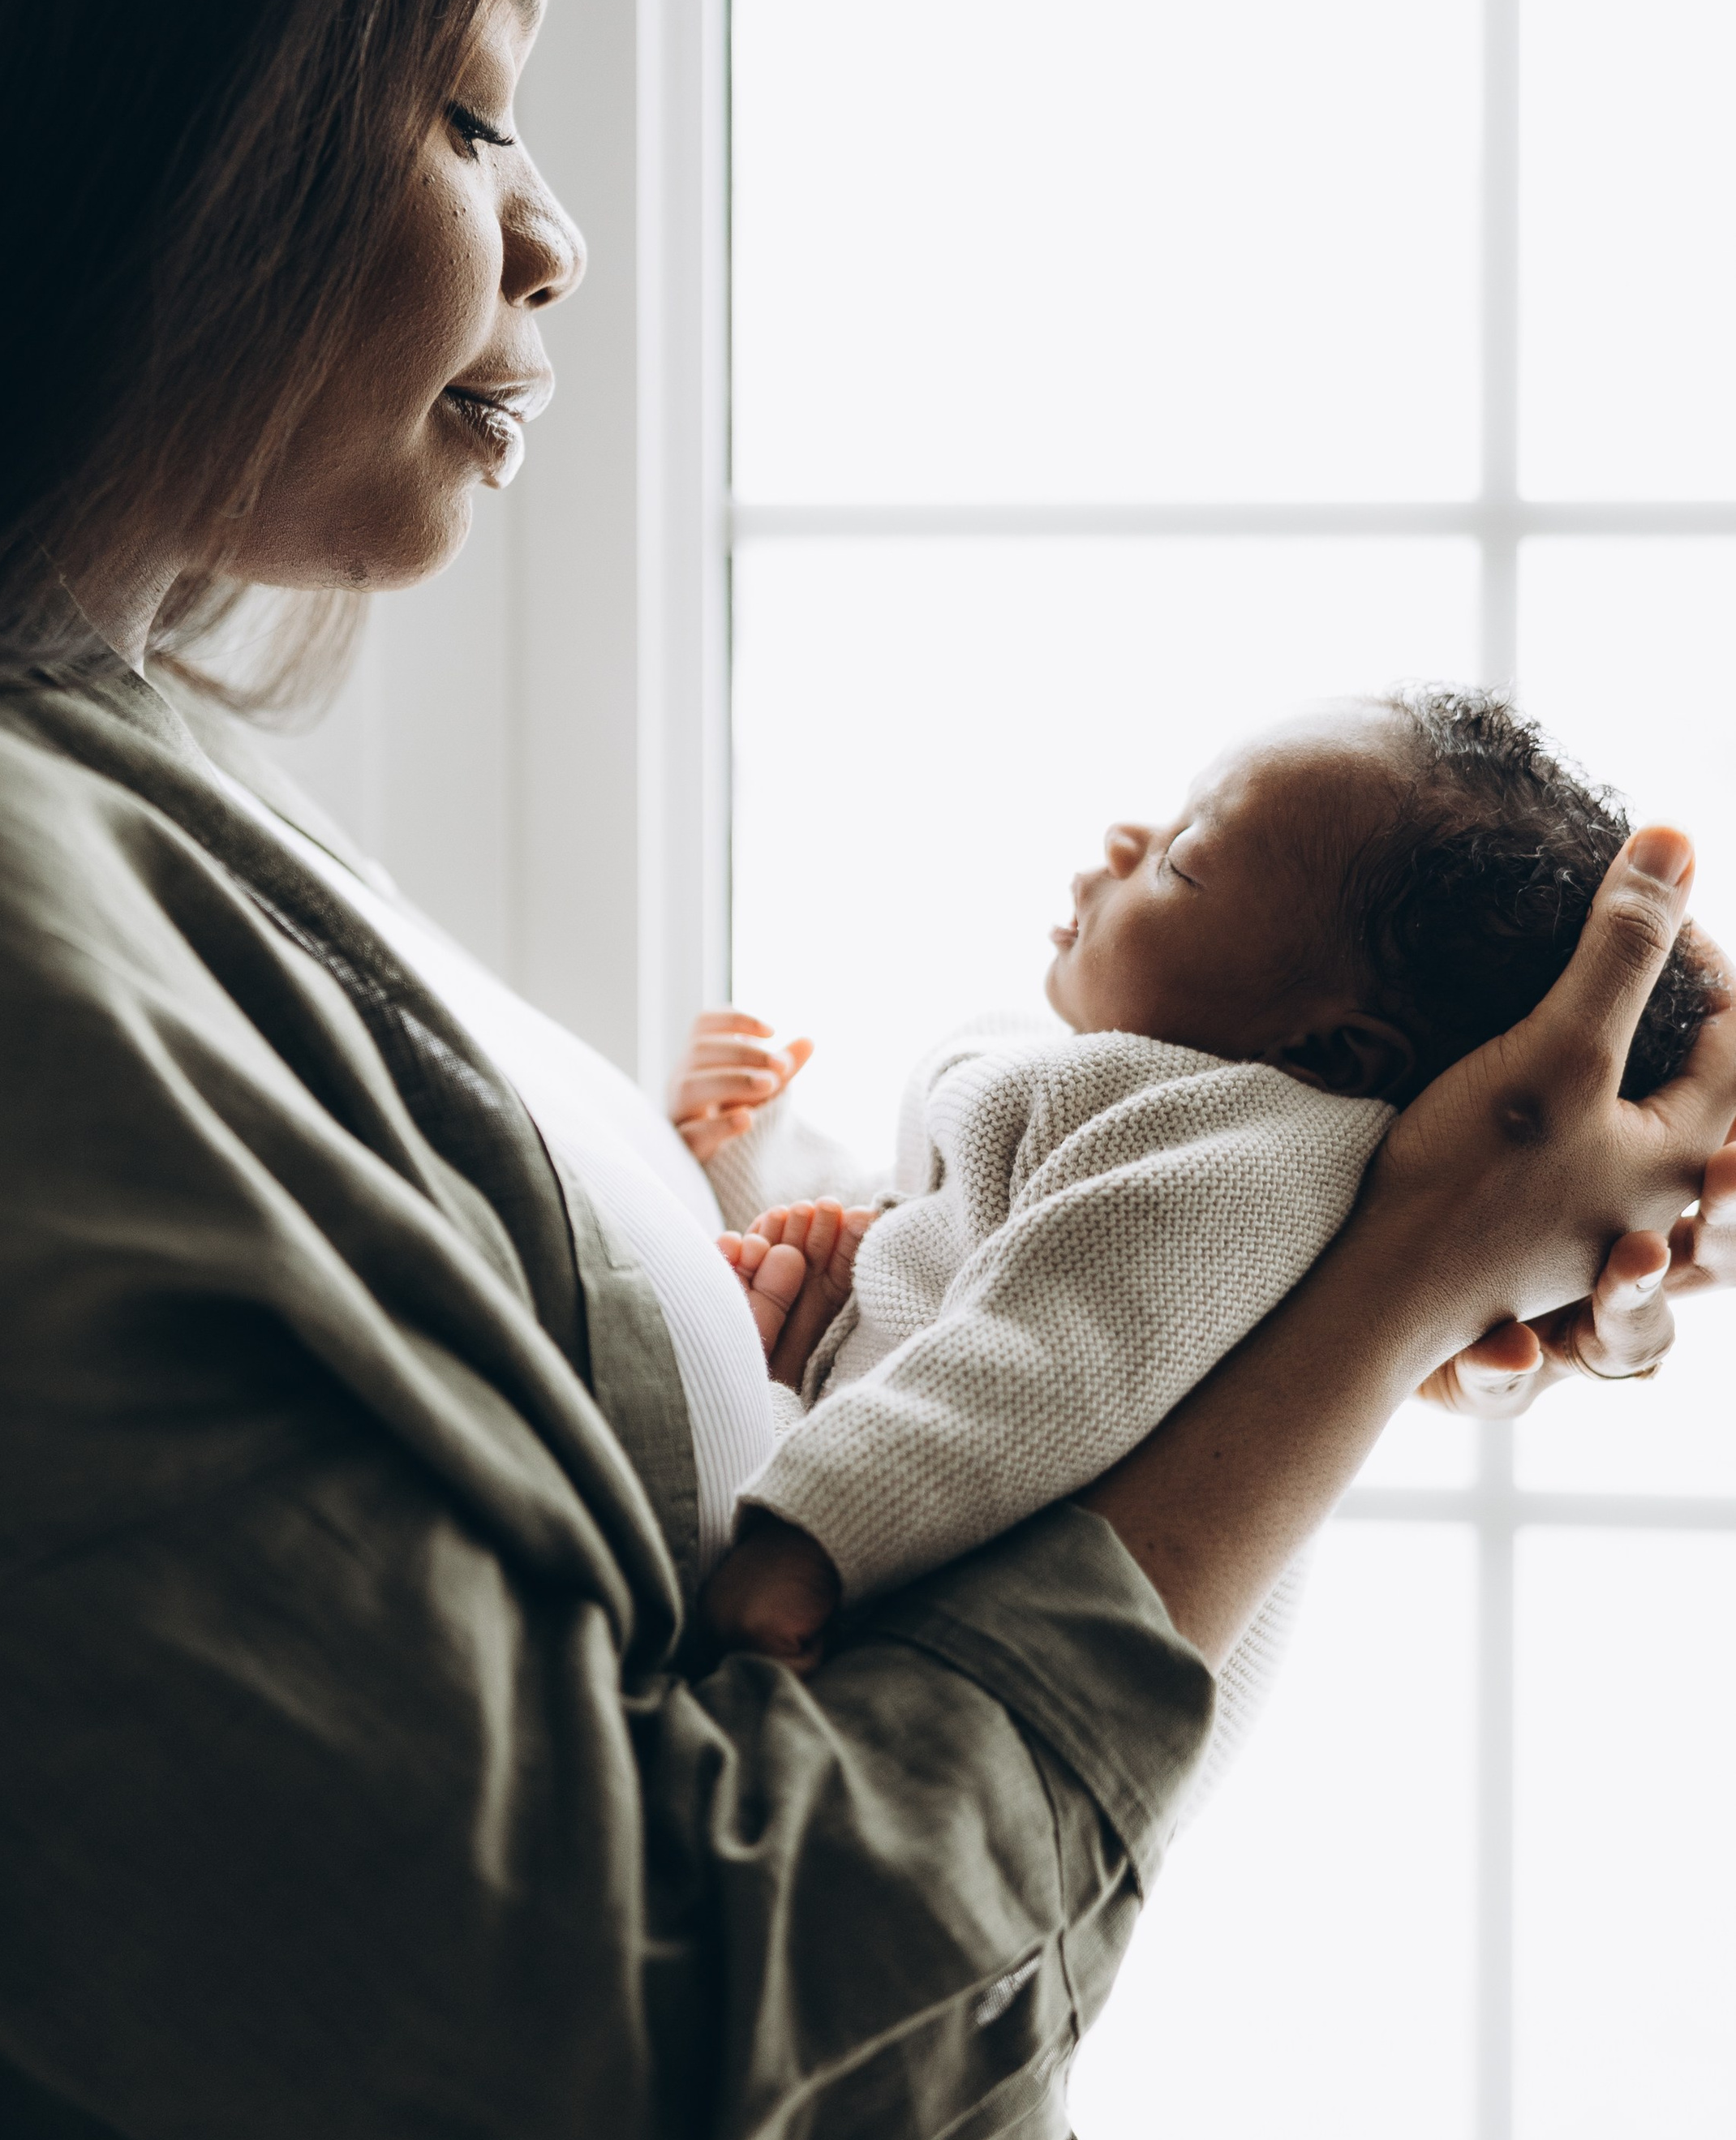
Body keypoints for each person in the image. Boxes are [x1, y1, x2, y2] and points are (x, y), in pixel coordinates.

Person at [0, 0, 1726, 2140]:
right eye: (463, 106)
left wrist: (1415, 1225)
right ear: (87, 110)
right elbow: (626, 2049)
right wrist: (1372, 1304)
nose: (552, 231)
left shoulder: (88, 810)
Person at [689, 688, 1712, 1670]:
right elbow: (905, 1231)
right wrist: (744, 1145)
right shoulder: (1131, 1116)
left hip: (888, 1589)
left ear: (1327, 1053)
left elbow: (1048, 1360)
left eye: (1181, 859)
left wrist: (811, 1544)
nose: (1123, 839)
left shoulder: (1244, 1158)